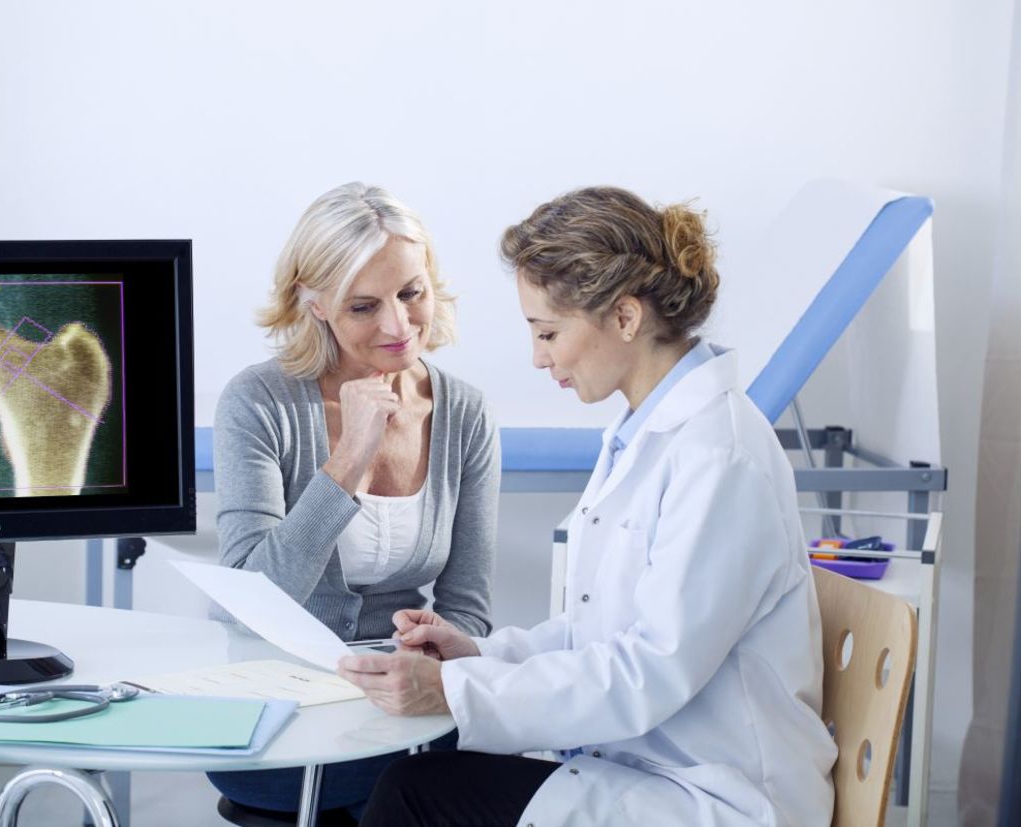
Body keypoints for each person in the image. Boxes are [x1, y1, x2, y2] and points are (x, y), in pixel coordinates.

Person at [338, 186, 838, 826]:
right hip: (646, 766)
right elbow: (597, 631)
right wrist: (476, 657)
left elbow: (648, 672)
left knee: (416, 794)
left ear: (625, 318)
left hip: (716, 793)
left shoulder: (719, 457)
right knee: (415, 784)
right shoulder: (644, 432)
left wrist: (454, 691)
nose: (538, 356)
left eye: (548, 332)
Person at [209, 181, 499, 820]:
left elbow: (470, 614)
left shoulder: (465, 414)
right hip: (278, 712)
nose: (398, 325)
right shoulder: (258, 403)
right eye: (364, 306)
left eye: (411, 293)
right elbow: (247, 595)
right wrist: (348, 462)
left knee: (482, 775)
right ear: (314, 304)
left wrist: (433, 656)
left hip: (410, 712)